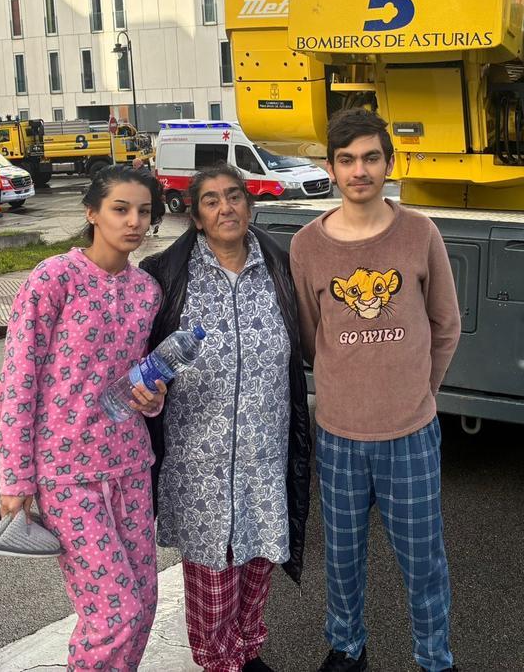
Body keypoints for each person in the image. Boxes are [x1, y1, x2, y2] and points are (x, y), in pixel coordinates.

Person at [290, 109, 461, 672]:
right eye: (346, 160)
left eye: (370, 158)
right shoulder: (307, 248)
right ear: (331, 169)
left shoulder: (420, 233)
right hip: (339, 435)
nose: (359, 170)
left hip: (410, 434)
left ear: (389, 162)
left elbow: (445, 323)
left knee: (422, 559)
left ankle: (434, 657)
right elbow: (312, 338)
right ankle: (347, 647)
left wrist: (419, 390)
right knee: (341, 559)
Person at [140, 164, 311, 672]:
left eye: (233, 196)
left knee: (258, 554)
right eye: (210, 200)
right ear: (195, 216)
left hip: (264, 449)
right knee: (212, 566)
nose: (225, 208)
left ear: (250, 205)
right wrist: (145, 393)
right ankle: (219, 661)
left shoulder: (281, 266)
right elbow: (138, 363)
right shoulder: (166, 276)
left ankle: (248, 649)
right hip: (199, 459)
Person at [0, 166, 167, 671]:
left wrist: (151, 398)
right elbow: (17, 381)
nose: (133, 221)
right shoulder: (54, 279)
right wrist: (15, 477)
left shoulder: (146, 291)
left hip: (132, 465)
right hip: (67, 474)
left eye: (144, 212)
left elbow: (138, 379)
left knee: (144, 606)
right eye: (120, 209)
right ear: (92, 212)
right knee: (114, 613)